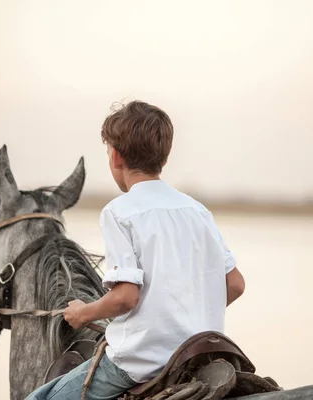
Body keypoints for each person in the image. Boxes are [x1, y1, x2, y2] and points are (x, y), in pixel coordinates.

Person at [25, 100, 246, 400]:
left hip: (140, 364)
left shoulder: (119, 212)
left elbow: (126, 297)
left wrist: (82, 313)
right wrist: (187, 317)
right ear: (163, 160)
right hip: (201, 355)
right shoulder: (197, 211)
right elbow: (235, 284)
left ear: (115, 157)